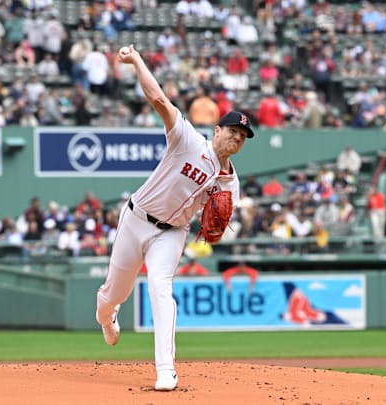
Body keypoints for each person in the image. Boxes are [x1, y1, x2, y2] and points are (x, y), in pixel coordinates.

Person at [95, 44, 254, 392]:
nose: (236, 139)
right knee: (113, 294)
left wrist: (216, 229)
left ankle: (165, 370)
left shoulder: (231, 182)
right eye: (232, 132)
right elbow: (160, 101)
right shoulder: (186, 140)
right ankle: (106, 317)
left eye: (242, 137)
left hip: (172, 233)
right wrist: (136, 60)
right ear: (217, 130)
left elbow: (217, 227)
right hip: (136, 219)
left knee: (160, 288)